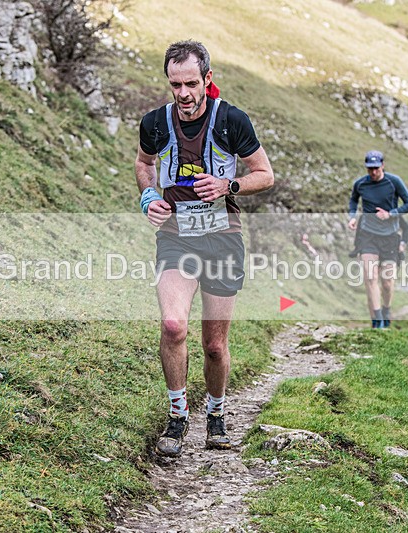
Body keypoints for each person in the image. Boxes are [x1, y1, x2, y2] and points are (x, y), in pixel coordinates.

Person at [135, 40, 274, 458]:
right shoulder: (155, 122)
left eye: (191, 83)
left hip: (222, 238)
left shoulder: (232, 120)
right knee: (174, 326)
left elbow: (264, 175)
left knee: (215, 345)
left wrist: (228, 185)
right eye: (175, 84)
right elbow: (144, 164)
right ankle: (178, 416)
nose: (183, 93)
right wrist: (148, 197)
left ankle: (217, 414)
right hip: (176, 236)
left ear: (207, 79)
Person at [347, 150, 408, 329]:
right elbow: (353, 201)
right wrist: (352, 217)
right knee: (370, 277)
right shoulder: (360, 184)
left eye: (376, 168)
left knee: (387, 282)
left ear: (383, 165)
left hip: (390, 236)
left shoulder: (394, 182)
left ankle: (386, 309)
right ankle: (377, 321)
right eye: (370, 169)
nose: (373, 172)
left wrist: (390, 214)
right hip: (367, 235)